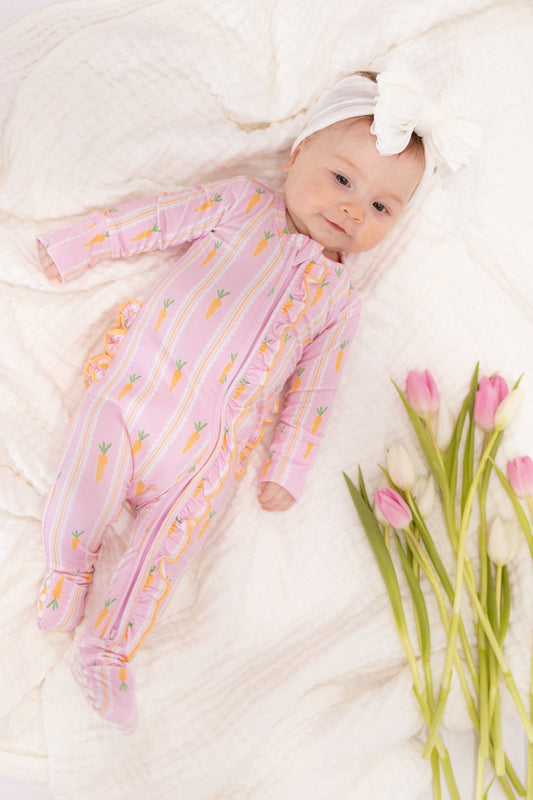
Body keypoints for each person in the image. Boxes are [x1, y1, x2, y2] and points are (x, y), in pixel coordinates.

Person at [36, 60, 480, 733]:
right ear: (298, 154)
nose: (351, 209)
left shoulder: (337, 302)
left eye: (381, 207)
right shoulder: (239, 205)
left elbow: (314, 393)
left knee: (164, 551)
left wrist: (284, 469)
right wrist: (78, 246)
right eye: (341, 179)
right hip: (131, 395)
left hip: (205, 454)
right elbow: (154, 220)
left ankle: (108, 651)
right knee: (84, 481)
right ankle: (66, 572)